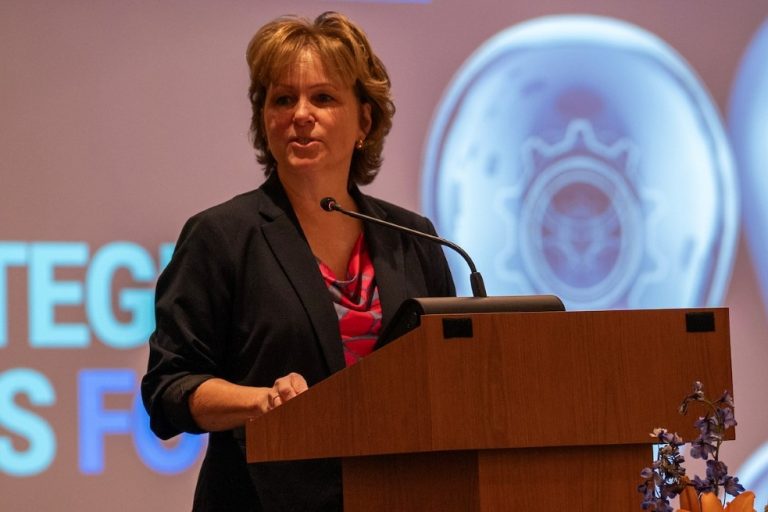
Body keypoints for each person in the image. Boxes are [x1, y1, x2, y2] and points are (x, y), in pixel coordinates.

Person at [141, 11, 455, 512]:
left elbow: (452, 379)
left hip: (401, 495)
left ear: (364, 120)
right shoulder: (222, 237)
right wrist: (262, 400)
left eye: (323, 98)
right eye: (283, 99)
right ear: (264, 119)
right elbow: (169, 387)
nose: (300, 114)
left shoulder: (411, 239)